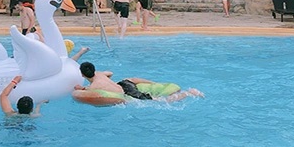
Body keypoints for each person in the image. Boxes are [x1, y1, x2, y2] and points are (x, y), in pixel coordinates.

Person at [75, 62, 203, 102]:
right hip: (124, 83)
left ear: (82, 74)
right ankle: (153, 84)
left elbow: (92, 91)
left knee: (157, 101)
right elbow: (110, 73)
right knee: (134, 79)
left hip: (127, 92)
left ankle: (188, 93)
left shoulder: (94, 86)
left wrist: (82, 89)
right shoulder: (100, 74)